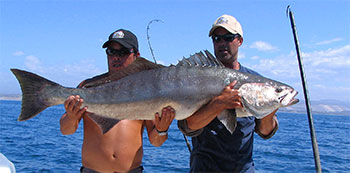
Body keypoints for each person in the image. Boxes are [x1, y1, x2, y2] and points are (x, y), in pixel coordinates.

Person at [60, 29, 175, 173]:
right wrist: (71, 117)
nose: (116, 57)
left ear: (137, 55)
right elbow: (66, 130)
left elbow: (156, 141)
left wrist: (161, 129)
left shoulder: (148, 90)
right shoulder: (88, 87)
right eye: (111, 52)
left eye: (123, 52)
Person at [178, 14, 279, 172]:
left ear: (240, 41)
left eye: (228, 37)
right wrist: (219, 104)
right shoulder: (195, 80)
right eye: (217, 38)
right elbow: (188, 127)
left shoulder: (256, 82)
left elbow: (265, 131)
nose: (222, 43)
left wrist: (270, 110)